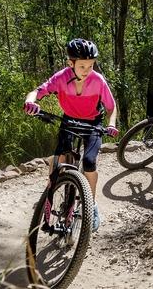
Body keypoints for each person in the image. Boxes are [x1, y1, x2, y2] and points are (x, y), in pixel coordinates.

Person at [23, 38, 118, 232]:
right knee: (60, 159)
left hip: (92, 123)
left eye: (91, 66)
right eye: (82, 66)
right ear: (70, 63)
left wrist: (111, 123)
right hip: (69, 121)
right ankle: (53, 187)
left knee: (90, 162)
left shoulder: (98, 80)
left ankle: (91, 206)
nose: (87, 70)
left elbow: (111, 106)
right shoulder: (61, 77)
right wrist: (31, 102)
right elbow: (37, 92)